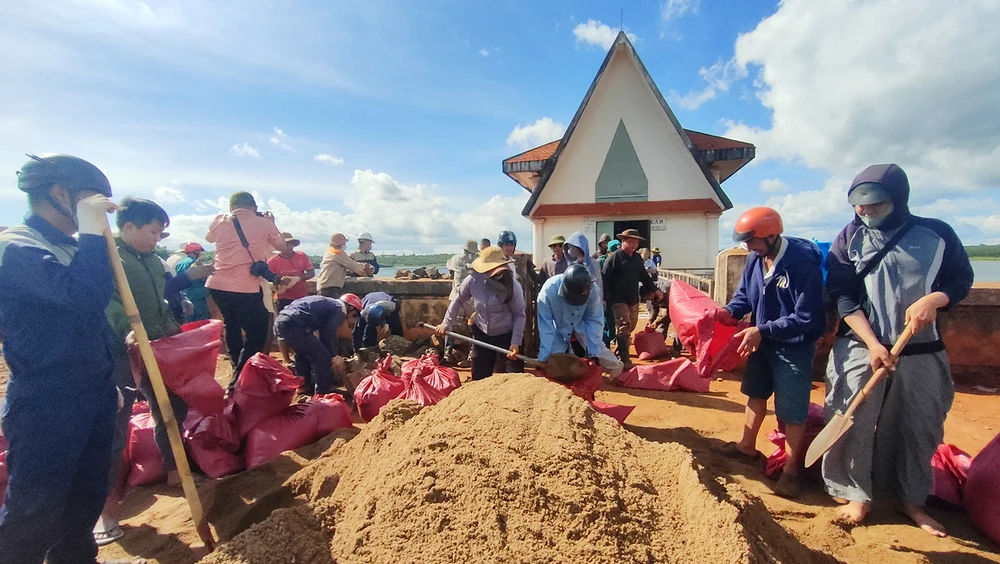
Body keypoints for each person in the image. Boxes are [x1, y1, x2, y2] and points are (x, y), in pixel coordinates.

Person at [822, 164, 974, 536]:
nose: (865, 211)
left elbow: (961, 279)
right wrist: (873, 344)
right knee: (853, 420)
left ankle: (911, 500)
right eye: (858, 205)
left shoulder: (937, 235)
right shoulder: (849, 238)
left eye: (875, 204)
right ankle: (856, 495)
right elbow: (843, 295)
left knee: (918, 425)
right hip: (861, 347)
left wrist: (935, 299)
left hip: (921, 350)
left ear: (898, 200)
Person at [0, 154, 119, 564]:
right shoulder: (17, 247)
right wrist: (91, 232)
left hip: (92, 391)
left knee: (85, 498)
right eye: (91, 198)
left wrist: (106, 379)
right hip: (47, 400)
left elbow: (93, 323)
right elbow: (84, 298)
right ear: (59, 193)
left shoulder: (71, 246)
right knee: (35, 511)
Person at [96, 198, 213, 545]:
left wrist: (172, 317)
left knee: (172, 407)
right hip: (122, 349)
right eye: (152, 232)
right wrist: (125, 330)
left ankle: (175, 469)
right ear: (128, 227)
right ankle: (106, 512)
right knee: (116, 425)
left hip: (158, 343)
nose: (156, 239)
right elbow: (106, 302)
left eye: (160, 234)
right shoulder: (108, 256)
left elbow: (160, 298)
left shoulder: (152, 261)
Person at [712, 207, 825, 499]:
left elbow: (806, 317)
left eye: (753, 241)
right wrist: (727, 312)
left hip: (793, 346)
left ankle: (791, 471)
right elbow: (744, 296)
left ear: (772, 236)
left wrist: (763, 330)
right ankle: (746, 447)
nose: (749, 247)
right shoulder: (755, 259)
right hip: (762, 341)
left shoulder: (802, 264)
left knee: (792, 410)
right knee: (755, 393)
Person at [205, 191, 287, 392]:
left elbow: (209, 238)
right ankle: (239, 379)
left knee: (231, 325)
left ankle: (236, 367)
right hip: (245, 286)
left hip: (217, 285)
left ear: (231, 207)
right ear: (254, 207)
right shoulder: (264, 223)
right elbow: (283, 248)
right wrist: (271, 223)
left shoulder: (220, 219)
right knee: (257, 332)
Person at [435, 246, 526, 380]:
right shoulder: (473, 280)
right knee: (479, 376)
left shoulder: (512, 285)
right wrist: (445, 323)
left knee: (513, 378)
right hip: (483, 333)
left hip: (508, 335)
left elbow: (519, 314)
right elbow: (458, 300)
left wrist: (515, 342)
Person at [537, 264, 623, 377]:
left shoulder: (593, 290)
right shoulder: (548, 292)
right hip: (559, 328)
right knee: (556, 357)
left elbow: (594, 320)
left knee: (599, 350)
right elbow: (545, 326)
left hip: (582, 324)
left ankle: (617, 370)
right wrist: (543, 357)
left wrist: (594, 354)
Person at [273, 293, 362, 396]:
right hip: (295, 325)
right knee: (322, 357)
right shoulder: (339, 310)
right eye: (354, 315)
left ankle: (303, 386)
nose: (350, 318)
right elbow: (327, 335)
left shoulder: (328, 303)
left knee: (303, 354)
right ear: (351, 308)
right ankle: (322, 393)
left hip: (282, 321)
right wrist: (334, 355)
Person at [602, 229, 662, 369]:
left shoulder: (636, 259)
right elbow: (604, 278)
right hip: (617, 299)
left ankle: (619, 351)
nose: (634, 245)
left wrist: (654, 289)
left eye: (636, 242)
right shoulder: (614, 258)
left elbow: (644, 277)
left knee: (631, 326)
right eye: (631, 241)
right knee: (624, 326)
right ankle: (624, 358)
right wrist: (605, 297)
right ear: (623, 241)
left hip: (633, 298)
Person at [266, 232, 315, 363]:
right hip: (283, 298)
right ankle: (287, 359)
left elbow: (311, 272)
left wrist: (298, 278)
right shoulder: (273, 262)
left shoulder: (301, 256)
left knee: (305, 327)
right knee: (283, 329)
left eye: (291, 244)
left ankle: (304, 355)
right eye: (286, 244)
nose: (289, 247)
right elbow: (267, 280)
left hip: (301, 298)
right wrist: (278, 284)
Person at [443, 240, 479, 364]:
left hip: (456, 297)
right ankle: (471, 356)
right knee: (473, 327)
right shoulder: (478, 261)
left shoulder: (455, 259)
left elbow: (450, 270)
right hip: (471, 299)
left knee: (450, 327)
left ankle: (447, 355)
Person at [317, 232, 372, 298]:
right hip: (331, 287)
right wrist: (365, 266)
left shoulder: (329, 251)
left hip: (324, 285)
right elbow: (352, 265)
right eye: (344, 243)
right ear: (340, 244)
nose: (345, 245)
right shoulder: (337, 253)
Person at [175, 242, 211, 322]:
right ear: (196, 251)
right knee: (202, 322)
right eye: (200, 251)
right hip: (198, 296)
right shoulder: (195, 263)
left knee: (188, 322)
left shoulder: (179, 263)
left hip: (185, 296)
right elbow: (203, 278)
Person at [563, 231, 603, 297]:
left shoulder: (592, 263)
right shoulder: (571, 265)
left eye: (572, 247)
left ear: (580, 247)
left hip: (591, 298)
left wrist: (599, 299)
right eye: (569, 247)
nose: (570, 250)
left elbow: (598, 285)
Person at [599, 239, 620, 348]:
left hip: (617, 296)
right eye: (614, 253)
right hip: (604, 296)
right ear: (608, 252)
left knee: (616, 321)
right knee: (606, 320)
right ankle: (605, 344)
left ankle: (615, 340)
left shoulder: (621, 262)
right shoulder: (600, 262)